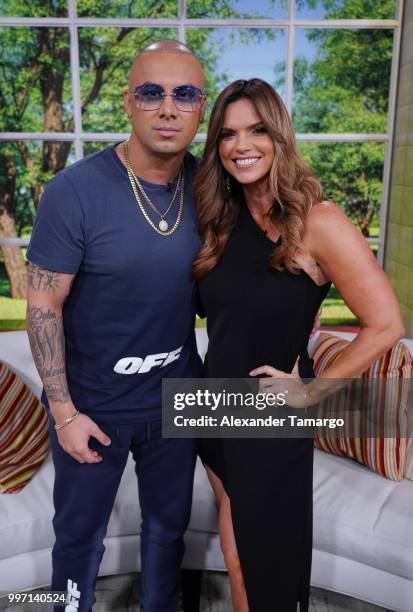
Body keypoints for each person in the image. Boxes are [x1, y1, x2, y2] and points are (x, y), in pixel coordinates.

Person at [193, 78, 404, 612]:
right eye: (228, 133)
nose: (242, 145)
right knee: (237, 558)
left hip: (269, 415)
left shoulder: (318, 221)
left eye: (256, 130)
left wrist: (310, 393)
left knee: (267, 570)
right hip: (214, 409)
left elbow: (386, 325)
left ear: (279, 136)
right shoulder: (221, 221)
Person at [25, 40, 207, 612]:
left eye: (185, 95)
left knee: (167, 532)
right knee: (79, 540)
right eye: (152, 93)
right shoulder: (74, 192)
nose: (168, 108)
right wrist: (64, 413)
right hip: (91, 406)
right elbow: (43, 307)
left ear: (201, 107)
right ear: (129, 102)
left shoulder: (212, 187)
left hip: (176, 399)